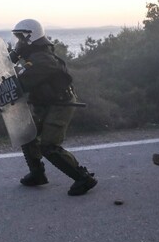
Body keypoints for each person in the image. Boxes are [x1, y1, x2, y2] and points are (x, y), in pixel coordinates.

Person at [10, 19, 97, 196]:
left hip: (61, 104)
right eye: (17, 38)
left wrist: (8, 78)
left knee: (49, 145)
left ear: (30, 37)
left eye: (21, 38)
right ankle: (37, 174)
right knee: (27, 134)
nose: (18, 42)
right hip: (45, 103)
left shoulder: (42, 59)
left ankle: (83, 177)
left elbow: (22, 82)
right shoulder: (32, 56)